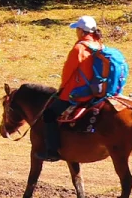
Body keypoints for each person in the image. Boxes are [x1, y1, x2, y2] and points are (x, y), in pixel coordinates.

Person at [41, 15, 124, 161]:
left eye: (77, 29)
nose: (76, 32)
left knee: (49, 114)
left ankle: (52, 151)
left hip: (79, 93)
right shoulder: (99, 46)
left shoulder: (79, 48)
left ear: (81, 31)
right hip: (98, 91)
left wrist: (62, 90)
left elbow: (68, 73)